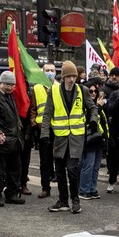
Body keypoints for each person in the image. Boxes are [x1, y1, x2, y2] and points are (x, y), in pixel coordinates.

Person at [40, 60, 99, 214]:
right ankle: (63, 200)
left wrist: (93, 120)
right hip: (60, 137)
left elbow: (92, 108)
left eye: (74, 76)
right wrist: (45, 134)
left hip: (76, 137)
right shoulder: (53, 91)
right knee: (59, 170)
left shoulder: (83, 90)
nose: (72, 79)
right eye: (69, 77)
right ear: (63, 77)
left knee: (72, 169)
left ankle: (75, 200)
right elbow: (47, 114)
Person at [0, 71, 25, 207]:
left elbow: (14, 114)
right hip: (2, 138)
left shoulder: (10, 95)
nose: (10, 87)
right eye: (7, 84)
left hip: (14, 138)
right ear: (0, 82)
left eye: (12, 85)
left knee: (15, 168)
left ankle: (11, 193)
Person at [30, 63, 57, 199]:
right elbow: (33, 108)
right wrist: (34, 123)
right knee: (44, 160)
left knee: (59, 159)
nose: (50, 73)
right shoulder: (37, 88)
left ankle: (61, 186)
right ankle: (45, 188)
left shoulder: (59, 87)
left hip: (58, 128)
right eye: (47, 70)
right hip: (43, 129)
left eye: (52, 70)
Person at [79, 80, 108, 200]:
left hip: (98, 140)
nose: (93, 93)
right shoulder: (84, 105)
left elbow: (104, 124)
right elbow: (90, 119)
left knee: (95, 167)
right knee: (88, 166)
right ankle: (84, 190)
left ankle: (92, 189)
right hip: (88, 139)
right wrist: (99, 107)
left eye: (95, 91)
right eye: (90, 91)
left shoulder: (96, 105)